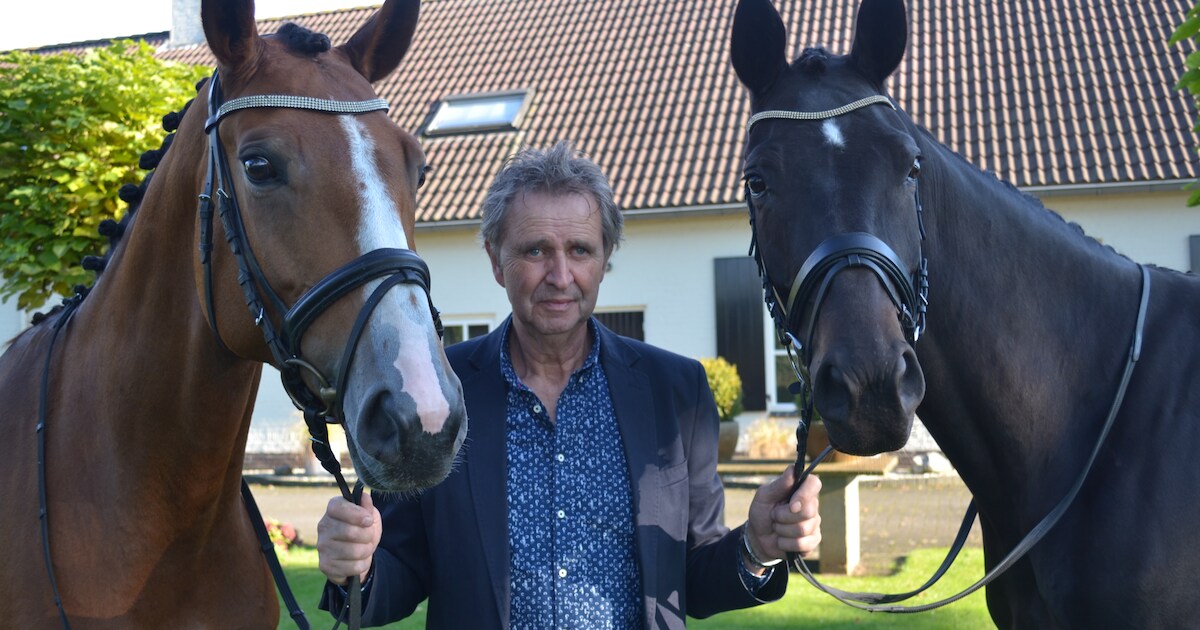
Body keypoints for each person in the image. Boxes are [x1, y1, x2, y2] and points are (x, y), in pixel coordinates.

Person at [316, 140, 822, 628]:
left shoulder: (676, 391)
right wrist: (357, 566)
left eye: (580, 250)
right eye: (535, 250)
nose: (560, 275)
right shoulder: (438, 393)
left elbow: (693, 579)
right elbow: (401, 574)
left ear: (605, 259)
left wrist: (755, 546)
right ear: (496, 260)